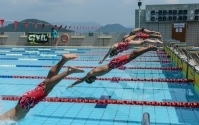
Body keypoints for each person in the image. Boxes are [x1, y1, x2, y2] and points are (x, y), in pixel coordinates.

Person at [0, 54, 84, 121]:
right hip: (25, 100)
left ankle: (69, 71)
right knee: (47, 82)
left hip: (26, 102)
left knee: (47, 87)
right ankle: (63, 60)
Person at [67, 44, 158, 88]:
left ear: (89, 79)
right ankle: (148, 48)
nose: (94, 81)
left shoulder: (91, 73)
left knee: (132, 55)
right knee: (133, 56)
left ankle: (148, 47)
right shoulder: (93, 73)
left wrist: (72, 84)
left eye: (92, 81)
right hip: (113, 64)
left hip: (113, 64)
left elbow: (81, 80)